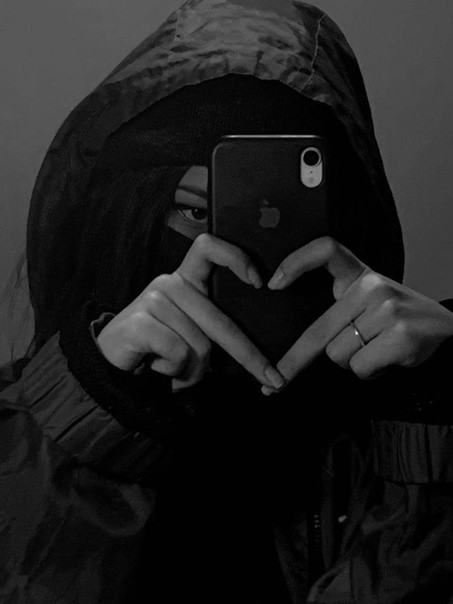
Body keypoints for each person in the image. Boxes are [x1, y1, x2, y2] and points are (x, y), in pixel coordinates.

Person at [1, 0, 452, 602]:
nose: (225, 256)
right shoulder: (22, 433)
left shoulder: (400, 423)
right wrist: (88, 417)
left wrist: (433, 426)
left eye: (283, 220)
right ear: (125, 214)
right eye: (193, 213)